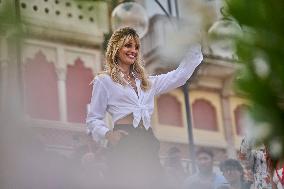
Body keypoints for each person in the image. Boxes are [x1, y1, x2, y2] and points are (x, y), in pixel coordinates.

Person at [86, 27, 203, 189]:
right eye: (128, 46)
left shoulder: (146, 82)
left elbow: (180, 76)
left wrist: (194, 46)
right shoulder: (104, 81)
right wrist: (109, 134)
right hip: (125, 139)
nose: (133, 50)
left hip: (148, 139)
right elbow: (93, 119)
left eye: (136, 47)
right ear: (116, 48)